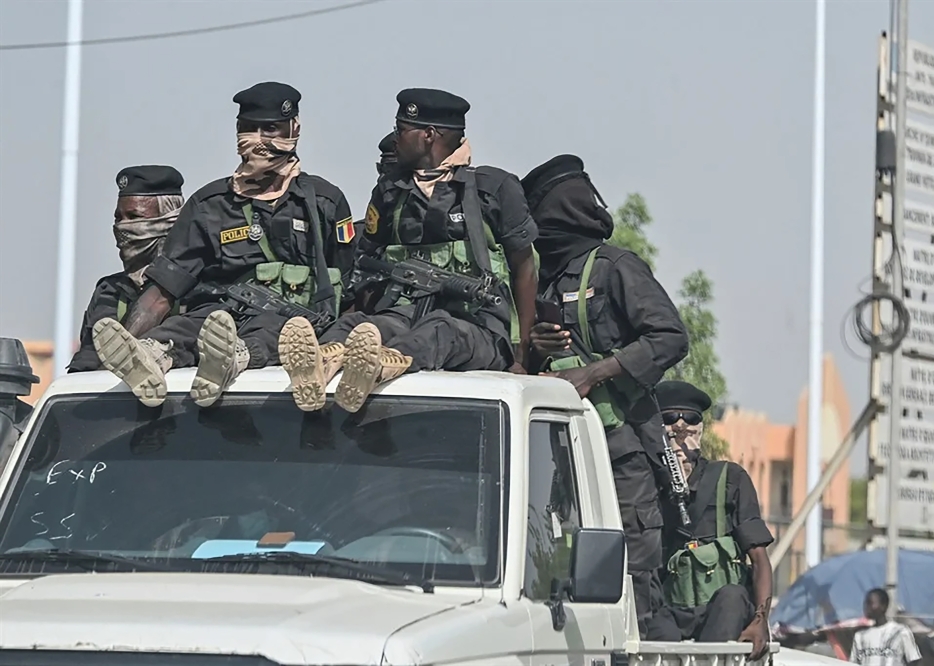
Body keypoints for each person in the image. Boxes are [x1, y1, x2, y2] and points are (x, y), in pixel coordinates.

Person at [93, 81, 355, 408]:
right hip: (218, 317)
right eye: (249, 129)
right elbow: (162, 292)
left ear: (294, 129)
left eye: (271, 129)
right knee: (185, 326)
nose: (259, 140)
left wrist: (339, 348)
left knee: (275, 328)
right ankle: (151, 358)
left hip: (293, 328)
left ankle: (231, 359)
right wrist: (126, 348)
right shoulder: (209, 205)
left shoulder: (324, 202)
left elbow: (349, 286)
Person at [277, 88, 537, 413]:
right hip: (404, 311)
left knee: (440, 330)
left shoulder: (493, 189)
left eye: (402, 130)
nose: (395, 138)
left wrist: (521, 353)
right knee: (359, 325)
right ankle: (321, 366)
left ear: (429, 135)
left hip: (478, 325)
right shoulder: (392, 191)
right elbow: (367, 265)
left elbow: (524, 268)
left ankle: (377, 366)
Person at [520, 153, 689, 639]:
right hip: (557, 455)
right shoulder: (543, 276)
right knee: (559, 565)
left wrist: (596, 372)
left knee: (630, 569)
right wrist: (537, 348)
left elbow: (670, 336)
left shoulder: (615, 267)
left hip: (620, 450)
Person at [648, 380, 773, 660]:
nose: (680, 431)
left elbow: (760, 558)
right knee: (653, 634)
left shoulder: (730, 478)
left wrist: (760, 620)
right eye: (670, 421)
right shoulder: (650, 484)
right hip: (674, 607)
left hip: (721, 606)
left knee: (731, 598)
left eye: (689, 422)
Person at [68, 165, 185, 373]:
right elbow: (87, 363)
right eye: (118, 218)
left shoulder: (197, 287)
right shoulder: (109, 290)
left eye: (134, 217)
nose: (123, 227)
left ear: (169, 221)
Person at [850, 588, 922, 666]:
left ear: (883, 606)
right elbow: (853, 663)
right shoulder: (860, 636)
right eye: (865, 604)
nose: (866, 607)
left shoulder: (900, 632)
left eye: (870, 603)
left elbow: (913, 660)